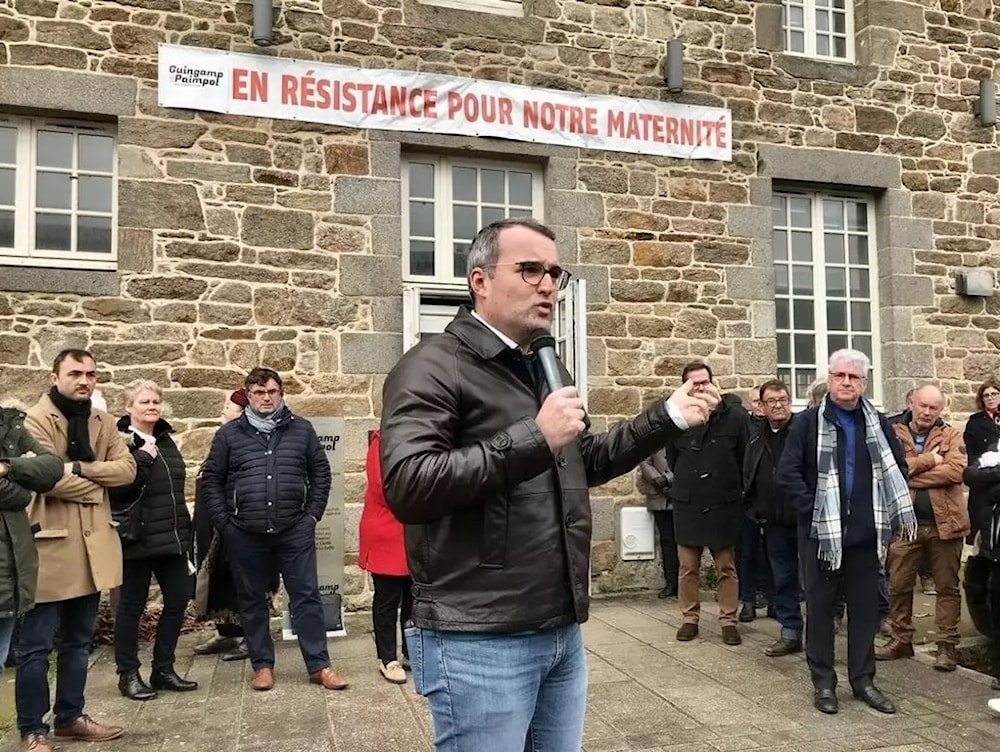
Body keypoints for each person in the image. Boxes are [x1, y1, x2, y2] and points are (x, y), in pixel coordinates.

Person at [379, 217, 720, 752]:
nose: (548, 285)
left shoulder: (540, 363)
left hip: (559, 628)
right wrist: (534, 437)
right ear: (480, 281)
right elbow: (408, 484)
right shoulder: (430, 366)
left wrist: (666, 417)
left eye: (555, 273)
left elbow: (580, 460)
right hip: (478, 635)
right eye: (530, 269)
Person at [777, 348, 915, 716]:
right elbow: (787, 473)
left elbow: (898, 468)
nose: (846, 382)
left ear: (864, 383)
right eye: (840, 376)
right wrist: (815, 512)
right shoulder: (807, 423)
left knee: (866, 612)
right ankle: (823, 684)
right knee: (820, 612)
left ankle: (863, 680)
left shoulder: (879, 423)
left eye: (854, 377)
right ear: (829, 378)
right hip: (821, 537)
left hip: (866, 537)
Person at [18, 349, 136, 751]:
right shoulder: (34, 420)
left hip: (92, 551)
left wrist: (81, 469)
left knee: (78, 640)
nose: (84, 381)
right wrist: (95, 486)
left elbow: (128, 469)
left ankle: (71, 716)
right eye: (74, 373)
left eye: (90, 374)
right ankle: (33, 730)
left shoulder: (102, 421)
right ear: (55, 376)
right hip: (50, 548)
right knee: (35, 646)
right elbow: (44, 478)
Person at [201, 368, 346, 692]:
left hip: (294, 529)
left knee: (306, 597)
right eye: (258, 392)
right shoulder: (229, 436)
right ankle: (262, 666)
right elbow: (212, 480)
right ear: (248, 395)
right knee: (252, 600)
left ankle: (319, 665)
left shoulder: (302, 431)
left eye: (271, 392)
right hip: (245, 532)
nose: (265, 398)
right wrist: (226, 524)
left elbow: (320, 474)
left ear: (281, 393)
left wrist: (311, 516)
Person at [109, 381, 197, 701]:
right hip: (136, 539)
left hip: (170, 539)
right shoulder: (118, 443)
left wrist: (184, 533)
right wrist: (142, 459)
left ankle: (163, 668)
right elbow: (117, 489)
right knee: (131, 609)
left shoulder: (165, 439)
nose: (151, 406)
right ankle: (128, 674)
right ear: (129, 407)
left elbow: (173, 492)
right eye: (144, 401)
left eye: (155, 400)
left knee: (178, 599)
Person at [877, 384, 968, 671]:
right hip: (905, 524)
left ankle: (946, 647)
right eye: (923, 406)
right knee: (899, 585)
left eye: (934, 408)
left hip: (946, 523)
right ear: (910, 403)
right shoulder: (892, 432)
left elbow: (956, 471)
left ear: (941, 410)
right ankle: (901, 639)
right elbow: (884, 470)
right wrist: (930, 460)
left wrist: (908, 474)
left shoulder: (952, 434)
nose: (927, 412)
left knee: (946, 587)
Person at [666, 363, 749, 645]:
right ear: (684, 387)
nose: (700, 388)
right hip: (688, 503)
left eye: (705, 382)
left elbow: (744, 458)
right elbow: (673, 460)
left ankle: (728, 620)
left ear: (714, 384)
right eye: (694, 383)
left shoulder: (734, 418)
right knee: (687, 567)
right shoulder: (676, 419)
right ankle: (690, 619)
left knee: (726, 567)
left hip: (723, 503)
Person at [192, 389, 256, 662]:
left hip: (232, 524)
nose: (222, 409)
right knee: (216, 580)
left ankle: (249, 637)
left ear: (241, 412)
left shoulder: (244, 442)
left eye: (227, 405)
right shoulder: (222, 439)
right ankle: (226, 632)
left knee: (239, 581)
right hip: (211, 524)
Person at [0, 405, 63, 675]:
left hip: (9, 570)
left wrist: (7, 467)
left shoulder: (10, 424)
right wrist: (24, 488)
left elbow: (51, 467)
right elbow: (24, 494)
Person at [743, 380, 802, 656]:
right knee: (783, 578)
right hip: (774, 522)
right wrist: (755, 509)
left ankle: (820, 633)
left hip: (804, 518)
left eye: (783, 399)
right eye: (772, 401)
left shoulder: (804, 431)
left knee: (815, 580)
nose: (778, 405)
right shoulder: (756, 437)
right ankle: (790, 632)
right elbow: (749, 475)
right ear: (762, 406)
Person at [358, 429, 411, 684]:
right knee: (388, 600)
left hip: (414, 530)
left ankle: (412, 652)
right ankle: (387, 658)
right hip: (388, 531)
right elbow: (384, 488)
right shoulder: (381, 443)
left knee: (414, 598)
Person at [639, 448, 678, 599]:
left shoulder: (686, 434)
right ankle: (671, 582)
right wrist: (658, 481)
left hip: (681, 495)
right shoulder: (655, 437)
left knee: (684, 542)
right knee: (667, 541)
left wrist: (669, 478)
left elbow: (687, 460)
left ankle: (684, 583)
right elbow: (645, 461)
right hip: (659, 496)